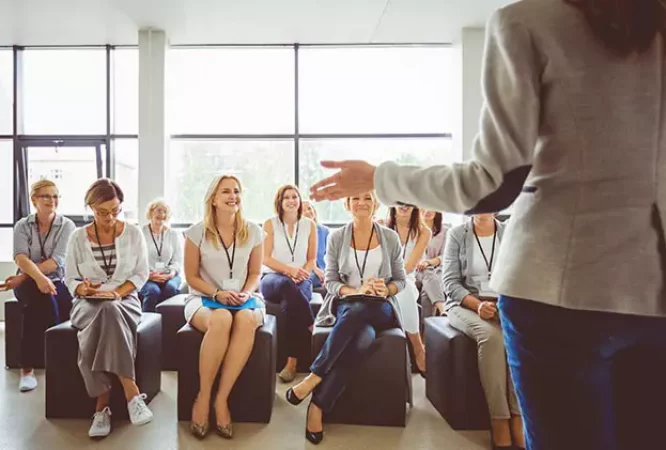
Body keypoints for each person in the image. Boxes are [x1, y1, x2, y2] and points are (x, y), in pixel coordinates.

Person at [309, 2, 666, 449]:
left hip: (558, 291)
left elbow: (491, 185)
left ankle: (316, 385)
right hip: (651, 295)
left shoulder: (527, 22)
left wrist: (381, 177)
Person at [285, 191, 407, 445]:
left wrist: (387, 289)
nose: (361, 202)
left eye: (367, 198)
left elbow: (400, 280)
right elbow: (330, 281)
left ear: (376, 203)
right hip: (347, 304)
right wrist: (355, 291)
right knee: (362, 337)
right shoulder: (337, 237)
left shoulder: (390, 238)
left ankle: (313, 377)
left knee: (362, 309)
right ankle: (318, 406)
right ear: (348, 203)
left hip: (381, 307)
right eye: (356, 198)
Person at [64, 179, 153, 438]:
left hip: (125, 301)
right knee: (106, 311)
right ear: (90, 207)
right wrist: (84, 289)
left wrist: (116, 292)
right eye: (102, 212)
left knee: (111, 309)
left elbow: (141, 273)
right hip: (86, 303)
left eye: (115, 211)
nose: (110, 217)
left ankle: (102, 407)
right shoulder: (77, 238)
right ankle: (132, 392)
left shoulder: (134, 233)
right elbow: (70, 278)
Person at [184, 175, 266, 440]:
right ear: (214, 199)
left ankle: (221, 399)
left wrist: (245, 292)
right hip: (204, 297)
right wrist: (217, 294)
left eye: (237, 191)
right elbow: (191, 277)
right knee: (221, 319)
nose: (233, 196)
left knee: (245, 320)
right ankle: (203, 397)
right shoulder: (196, 232)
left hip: (244, 298)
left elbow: (255, 273)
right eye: (226, 192)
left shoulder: (253, 231)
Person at [443, 214, 523, 450]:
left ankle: (518, 417)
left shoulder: (510, 231)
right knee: (492, 338)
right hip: (465, 304)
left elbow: (519, 274)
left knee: (516, 338)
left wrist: (506, 302)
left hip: (504, 302)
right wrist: (477, 305)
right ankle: (499, 420)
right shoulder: (457, 235)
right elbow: (450, 282)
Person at [7, 180, 75, 392]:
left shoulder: (67, 226)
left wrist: (26, 277)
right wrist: (36, 279)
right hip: (29, 284)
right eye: (46, 196)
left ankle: (61, 359)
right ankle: (28, 368)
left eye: (55, 196)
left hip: (57, 280)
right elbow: (20, 258)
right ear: (34, 200)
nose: (51, 200)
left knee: (64, 301)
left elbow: (58, 261)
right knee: (42, 299)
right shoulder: (22, 225)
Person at [260, 185, 317, 383]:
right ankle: (312, 325)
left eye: (295, 197)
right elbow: (265, 258)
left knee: (289, 306)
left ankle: (291, 363)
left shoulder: (309, 225)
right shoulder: (270, 224)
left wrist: (302, 274)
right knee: (286, 285)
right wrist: (288, 270)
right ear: (280, 202)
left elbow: (311, 259)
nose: (292, 200)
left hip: (301, 279)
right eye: (287, 198)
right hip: (273, 278)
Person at [385, 204, 431, 374]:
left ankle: (417, 347)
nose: (404, 206)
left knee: (404, 289)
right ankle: (418, 345)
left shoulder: (424, 232)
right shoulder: (381, 225)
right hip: (382, 279)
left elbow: (409, 267)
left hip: (406, 280)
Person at [139, 199, 183, 312]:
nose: (162, 214)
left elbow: (177, 261)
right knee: (153, 291)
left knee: (170, 288)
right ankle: (146, 326)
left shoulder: (173, 234)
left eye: (165, 211)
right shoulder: (141, 233)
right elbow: (135, 261)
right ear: (151, 212)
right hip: (148, 276)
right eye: (159, 210)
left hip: (169, 275)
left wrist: (172, 273)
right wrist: (149, 275)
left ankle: (168, 326)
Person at [418, 209, 448, 317]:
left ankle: (426, 330)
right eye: (423, 207)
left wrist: (429, 262)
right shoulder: (413, 229)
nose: (427, 211)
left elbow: (446, 256)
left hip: (437, 270)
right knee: (426, 273)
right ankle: (442, 309)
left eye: (430, 207)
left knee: (427, 292)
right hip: (417, 271)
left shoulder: (445, 231)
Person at [302, 200, 329, 291]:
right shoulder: (297, 233)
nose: (307, 212)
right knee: (307, 278)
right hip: (304, 270)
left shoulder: (324, 231)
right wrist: (315, 269)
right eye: (302, 210)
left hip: (322, 270)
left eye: (309, 208)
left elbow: (331, 257)